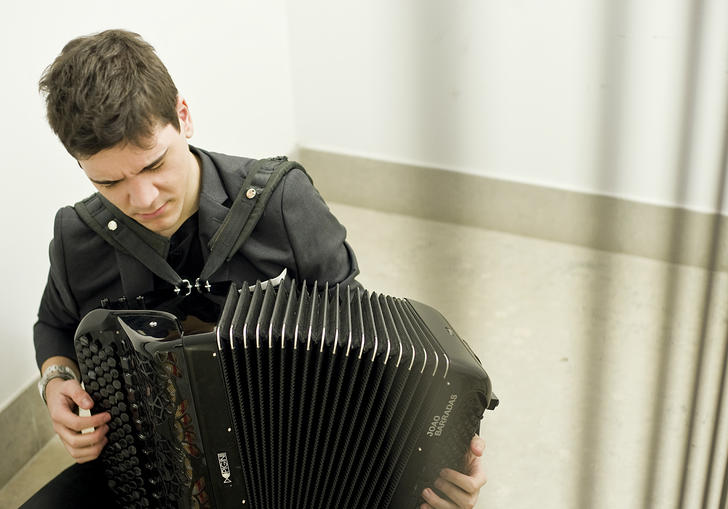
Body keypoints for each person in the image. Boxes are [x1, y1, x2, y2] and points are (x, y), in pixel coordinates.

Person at [26, 29, 487, 509]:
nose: (142, 199)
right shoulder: (78, 237)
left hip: (304, 470)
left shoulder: (282, 203)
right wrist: (56, 379)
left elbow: (364, 344)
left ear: (183, 117)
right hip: (143, 470)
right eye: (109, 181)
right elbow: (55, 324)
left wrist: (438, 457)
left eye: (154, 164)